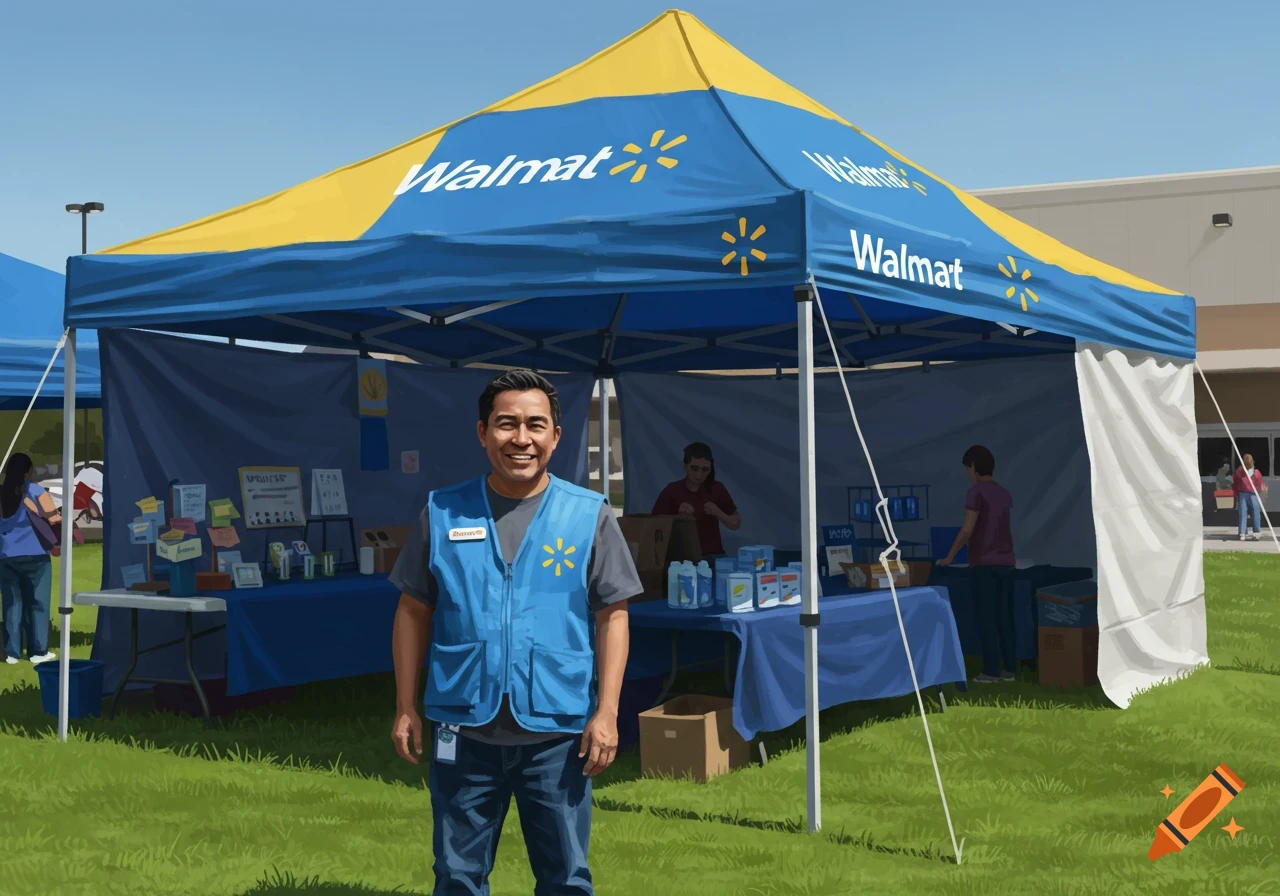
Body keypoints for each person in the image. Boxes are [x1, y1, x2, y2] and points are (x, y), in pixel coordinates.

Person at [389, 369, 641, 896]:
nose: (520, 438)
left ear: (556, 435)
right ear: (482, 432)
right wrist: (406, 705)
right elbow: (412, 610)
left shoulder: (587, 514)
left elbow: (612, 615)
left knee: (565, 878)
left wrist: (608, 712)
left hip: (557, 733)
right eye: (506, 424)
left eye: (535, 425)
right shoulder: (442, 511)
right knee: (457, 875)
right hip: (464, 725)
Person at [937, 445, 1016, 684]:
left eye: (967, 469)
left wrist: (949, 556)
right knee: (1004, 617)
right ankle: (1009, 670)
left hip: (983, 563)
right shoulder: (1004, 493)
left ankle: (991, 671)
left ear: (973, 467)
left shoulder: (975, 492)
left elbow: (967, 529)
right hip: (1007, 562)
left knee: (986, 617)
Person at [0, 453, 60, 666]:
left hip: (6, 555)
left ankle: (11, 653)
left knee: (11, 605)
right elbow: (54, 518)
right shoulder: (36, 491)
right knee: (38, 604)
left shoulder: (2, 491)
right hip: (36, 555)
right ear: (29, 470)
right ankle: (37, 651)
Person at [650, 442, 741, 556]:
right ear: (685, 466)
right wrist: (678, 518)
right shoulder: (672, 490)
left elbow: (736, 524)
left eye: (705, 470)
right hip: (680, 558)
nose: (699, 475)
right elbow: (654, 528)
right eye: (694, 468)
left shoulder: (717, 489)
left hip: (713, 556)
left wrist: (718, 513)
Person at [1233, 454, 1267, 541]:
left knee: (1243, 513)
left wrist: (1235, 492)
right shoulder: (1256, 473)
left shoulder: (1239, 471)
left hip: (1243, 494)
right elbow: (1260, 484)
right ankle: (1255, 532)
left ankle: (1243, 532)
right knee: (1255, 512)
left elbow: (1235, 483)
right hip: (1252, 494)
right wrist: (1262, 487)